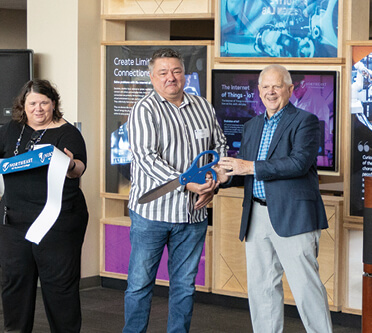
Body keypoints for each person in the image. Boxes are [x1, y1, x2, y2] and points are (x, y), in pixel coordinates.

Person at [217, 64, 333, 332]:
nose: (271, 92)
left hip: (294, 217)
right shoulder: (251, 126)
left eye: (277, 86)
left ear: (290, 89)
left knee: (306, 289)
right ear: (258, 91)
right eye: (265, 87)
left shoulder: (305, 121)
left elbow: (298, 164)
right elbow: (244, 170)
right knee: (262, 289)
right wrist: (226, 177)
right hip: (256, 216)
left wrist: (249, 167)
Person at [124, 48, 228, 332]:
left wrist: (212, 182)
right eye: (163, 72)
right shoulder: (144, 109)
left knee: (184, 288)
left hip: (193, 217)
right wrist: (188, 182)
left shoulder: (203, 106)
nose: (171, 78)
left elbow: (219, 147)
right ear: (152, 77)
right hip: (152, 215)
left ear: (185, 74)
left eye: (176, 71)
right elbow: (146, 158)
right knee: (139, 285)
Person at [0, 79, 89, 332]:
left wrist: (69, 164)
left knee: (60, 288)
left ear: (54, 104)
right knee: (15, 285)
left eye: (44, 103)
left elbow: (78, 168)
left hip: (58, 224)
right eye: (32, 103)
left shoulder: (68, 133)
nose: (38, 109)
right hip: (13, 223)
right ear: (23, 106)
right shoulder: (12, 129)